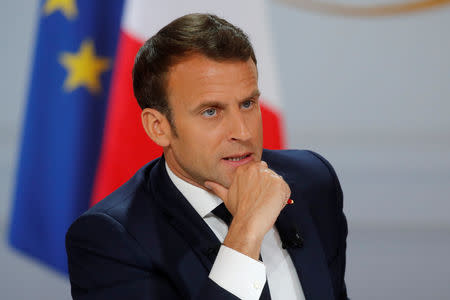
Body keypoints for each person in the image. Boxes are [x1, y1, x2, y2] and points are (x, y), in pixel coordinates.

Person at [66, 13, 348, 300]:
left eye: (248, 103)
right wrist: (246, 232)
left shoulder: (312, 183)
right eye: (211, 111)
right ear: (158, 127)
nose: (243, 131)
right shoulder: (110, 239)